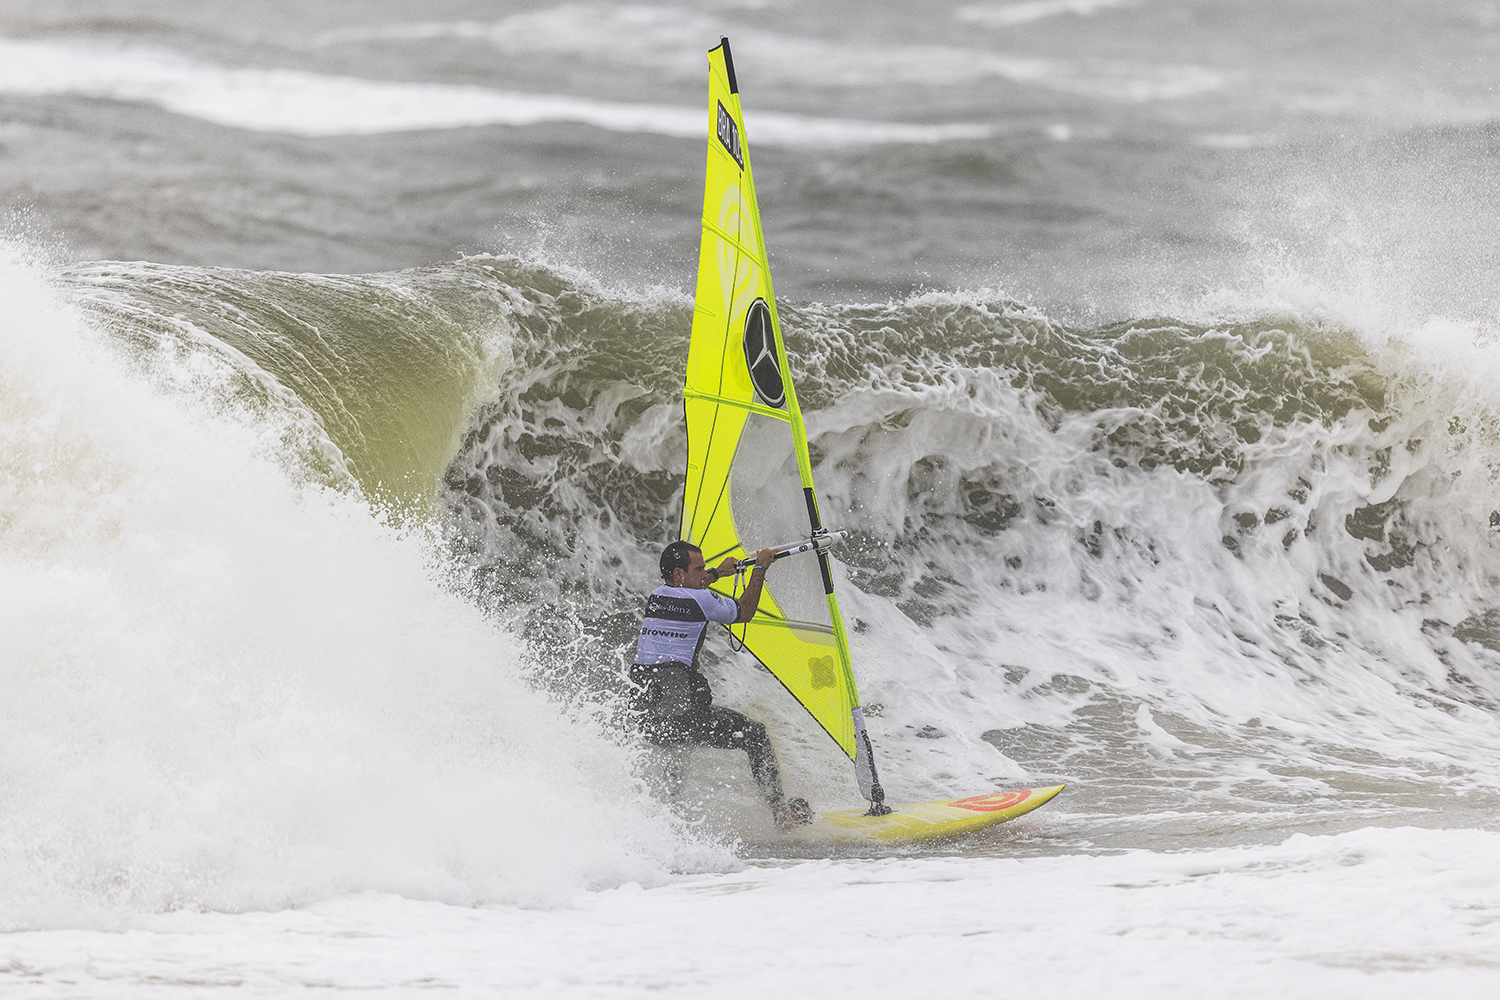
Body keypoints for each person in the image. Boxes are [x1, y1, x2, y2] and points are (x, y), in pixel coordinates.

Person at [630, 540, 812, 831]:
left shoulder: (656, 597)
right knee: (755, 735)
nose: (703, 574)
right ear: (679, 574)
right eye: (698, 569)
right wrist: (761, 567)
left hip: (649, 715)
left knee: (675, 742)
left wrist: (716, 573)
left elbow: (693, 587)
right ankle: (782, 815)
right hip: (682, 712)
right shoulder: (701, 600)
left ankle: (663, 821)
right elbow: (745, 611)